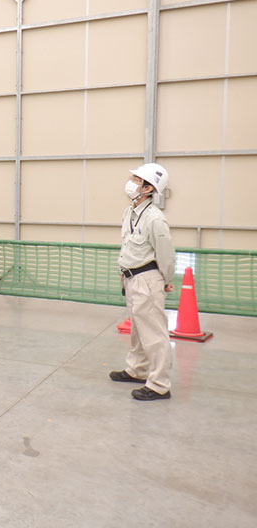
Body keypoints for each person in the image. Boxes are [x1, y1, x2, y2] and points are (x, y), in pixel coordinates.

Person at [109, 163, 175, 401]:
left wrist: (165, 280)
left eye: (137, 180)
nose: (131, 183)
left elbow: (166, 254)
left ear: (148, 188)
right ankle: (138, 370)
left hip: (147, 280)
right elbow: (129, 246)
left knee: (153, 333)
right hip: (131, 278)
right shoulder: (131, 212)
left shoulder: (155, 219)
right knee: (138, 329)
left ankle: (159, 384)